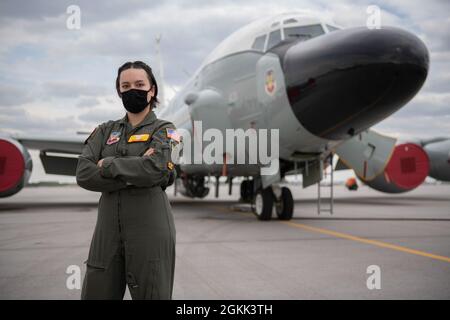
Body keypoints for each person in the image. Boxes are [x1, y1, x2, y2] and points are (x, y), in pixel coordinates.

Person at [76, 60, 180, 300]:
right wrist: (138, 173)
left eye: (139, 84)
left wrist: (109, 164)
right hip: (107, 231)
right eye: (126, 85)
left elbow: (157, 169)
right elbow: (83, 172)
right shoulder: (105, 130)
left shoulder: (167, 130)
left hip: (150, 231)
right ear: (119, 91)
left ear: (152, 89)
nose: (132, 89)